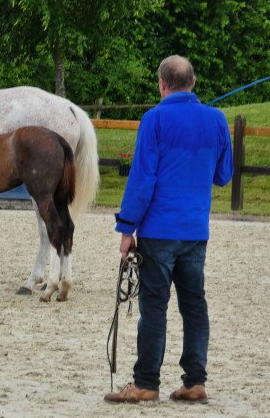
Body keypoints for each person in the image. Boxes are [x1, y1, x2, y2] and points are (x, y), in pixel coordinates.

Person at [104, 55, 233, 404]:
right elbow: (223, 176)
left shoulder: (154, 119)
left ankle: (146, 382)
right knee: (194, 306)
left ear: (162, 84)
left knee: (154, 308)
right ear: (192, 83)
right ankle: (195, 380)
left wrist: (127, 227)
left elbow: (142, 179)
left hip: (159, 232)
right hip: (195, 232)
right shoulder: (217, 120)